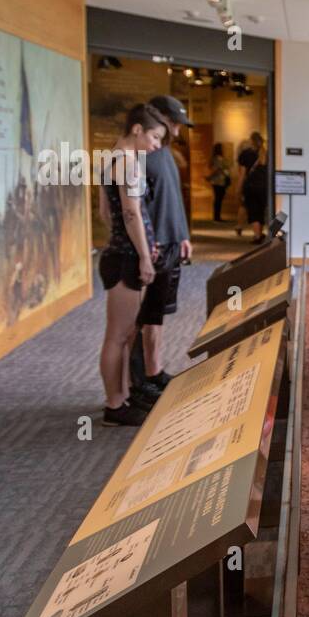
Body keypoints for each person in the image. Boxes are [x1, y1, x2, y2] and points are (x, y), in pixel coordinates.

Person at [97, 104, 165, 426]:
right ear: (137, 129)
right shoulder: (126, 162)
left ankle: (122, 397)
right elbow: (130, 212)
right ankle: (115, 405)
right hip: (125, 258)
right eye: (154, 137)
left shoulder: (114, 156)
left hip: (120, 253)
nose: (157, 145)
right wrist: (142, 255)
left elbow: (103, 213)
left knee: (124, 335)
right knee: (118, 335)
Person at [129, 95, 195, 404]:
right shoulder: (137, 159)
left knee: (158, 314)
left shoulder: (165, 154)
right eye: (172, 125)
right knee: (139, 319)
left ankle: (154, 373)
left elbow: (173, 199)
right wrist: (146, 249)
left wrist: (182, 234)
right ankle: (138, 383)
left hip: (171, 243)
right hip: (153, 248)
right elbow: (133, 210)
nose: (176, 132)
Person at [237, 131, 270, 244]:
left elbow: (242, 174)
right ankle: (260, 233)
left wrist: (239, 188)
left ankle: (257, 235)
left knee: (253, 211)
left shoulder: (245, 154)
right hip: (265, 186)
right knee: (261, 210)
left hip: (250, 186)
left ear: (251, 141)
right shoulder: (267, 153)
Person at [208, 142, 231, 222]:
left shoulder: (214, 158)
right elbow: (217, 169)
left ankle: (217, 216)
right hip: (220, 182)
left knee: (218, 199)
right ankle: (216, 217)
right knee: (218, 199)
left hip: (216, 181)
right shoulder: (219, 159)